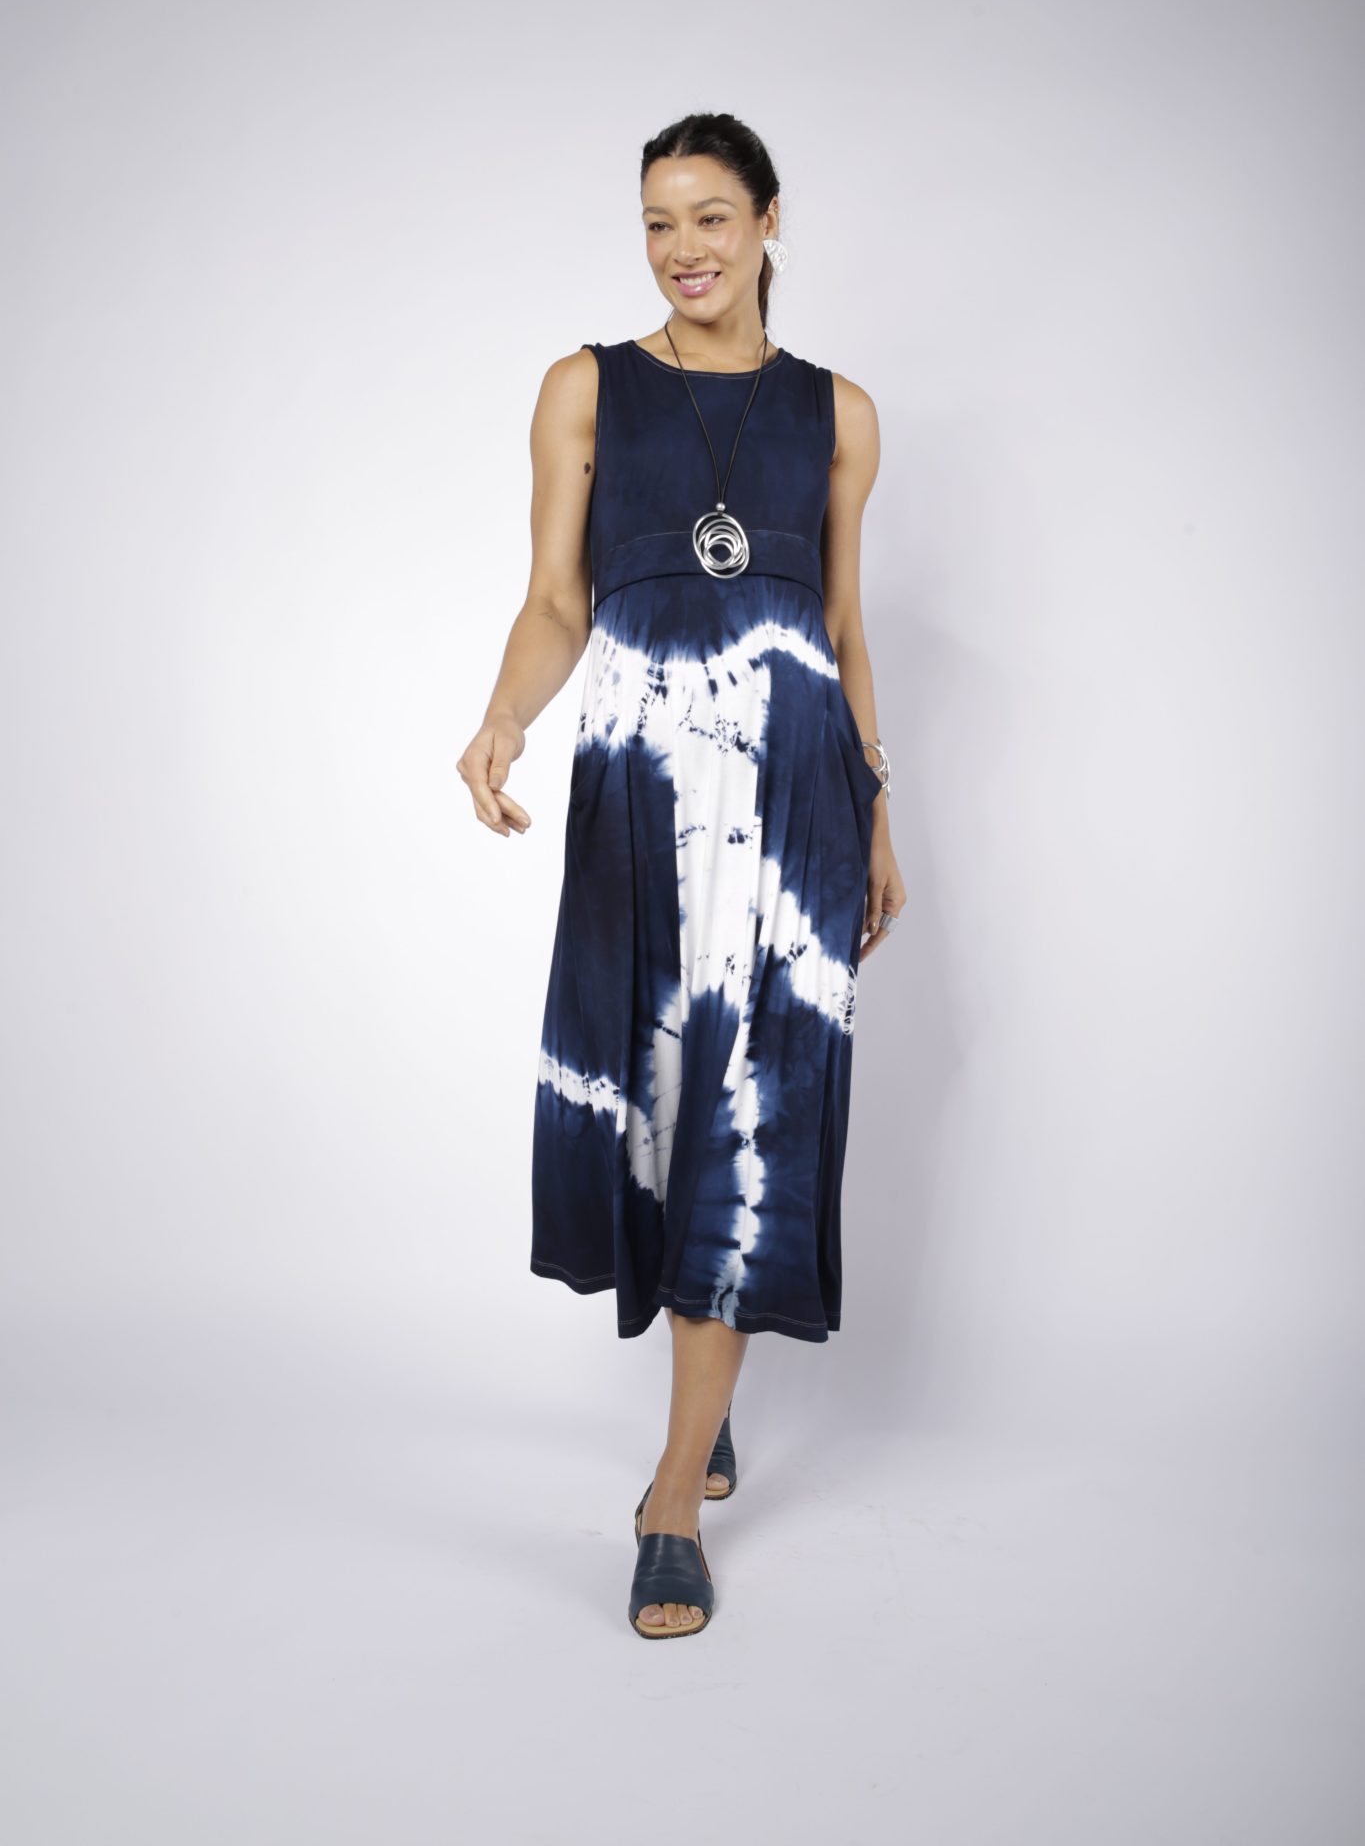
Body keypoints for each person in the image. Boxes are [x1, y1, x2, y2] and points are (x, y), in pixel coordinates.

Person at [458, 111, 907, 1639]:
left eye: (711, 215)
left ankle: (668, 1500)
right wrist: (503, 720)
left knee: (743, 1115)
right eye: (657, 221)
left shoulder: (838, 413)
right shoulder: (584, 387)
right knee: (655, 1105)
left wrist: (876, 811)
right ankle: (702, 1408)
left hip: (792, 810)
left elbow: (840, 630)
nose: (682, 249)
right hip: (641, 807)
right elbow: (554, 600)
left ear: (770, 220)